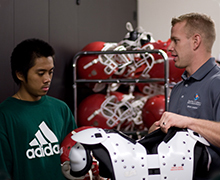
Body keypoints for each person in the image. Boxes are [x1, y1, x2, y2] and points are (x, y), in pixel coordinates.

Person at [148, 12, 220, 178]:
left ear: (195, 41)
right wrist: (157, 132)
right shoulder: (179, 88)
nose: (169, 47)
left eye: (176, 40)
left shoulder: (217, 83)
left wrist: (186, 122)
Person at [0, 38, 77, 180]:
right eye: (41, 73)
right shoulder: (5, 115)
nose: (47, 79)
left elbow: (75, 156)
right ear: (20, 74)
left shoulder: (61, 109)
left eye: (51, 72)